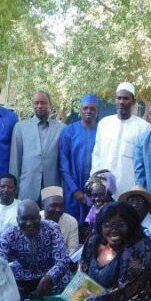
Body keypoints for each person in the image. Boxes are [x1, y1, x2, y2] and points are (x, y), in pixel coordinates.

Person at [0, 200, 71, 299]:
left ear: (40, 218)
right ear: (17, 220)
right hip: (24, 274)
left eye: (33, 218)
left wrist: (49, 278)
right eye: (24, 219)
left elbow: (63, 259)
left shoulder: (52, 228)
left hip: (48, 272)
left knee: (66, 277)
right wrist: (9, 283)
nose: (29, 223)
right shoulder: (8, 235)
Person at [91, 83, 151, 192]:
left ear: (133, 101)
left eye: (126, 98)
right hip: (104, 187)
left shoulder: (144, 128)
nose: (122, 102)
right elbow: (97, 155)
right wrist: (95, 180)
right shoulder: (104, 123)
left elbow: (147, 162)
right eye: (118, 98)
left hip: (130, 188)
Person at [10, 90, 64, 201]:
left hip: (52, 186)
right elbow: (15, 161)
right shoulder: (20, 127)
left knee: (52, 217)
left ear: (50, 105)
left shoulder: (62, 129)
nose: (39, 106)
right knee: (26, 217)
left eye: (43, 103)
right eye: (36, 103)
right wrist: (13, 187)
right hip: (27, 186)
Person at [59, 94, 99, 222]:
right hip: (72, 190)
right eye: (85, 108)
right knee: (72, 224)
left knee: (94, 225)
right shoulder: (69, 131)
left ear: (97, 111)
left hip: (96, 191)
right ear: (80, 110)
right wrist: (75, 191)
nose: (89, 111)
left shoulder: (102, 131)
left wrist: (97, 189)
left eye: (92, 109)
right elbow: (63, 164)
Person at [40, 186, 80, 254]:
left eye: (61, 206)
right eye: (53, 205)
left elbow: (72, 250)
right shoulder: (36, 219)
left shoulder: (71, 222)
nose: (58, 209)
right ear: (43, 205)